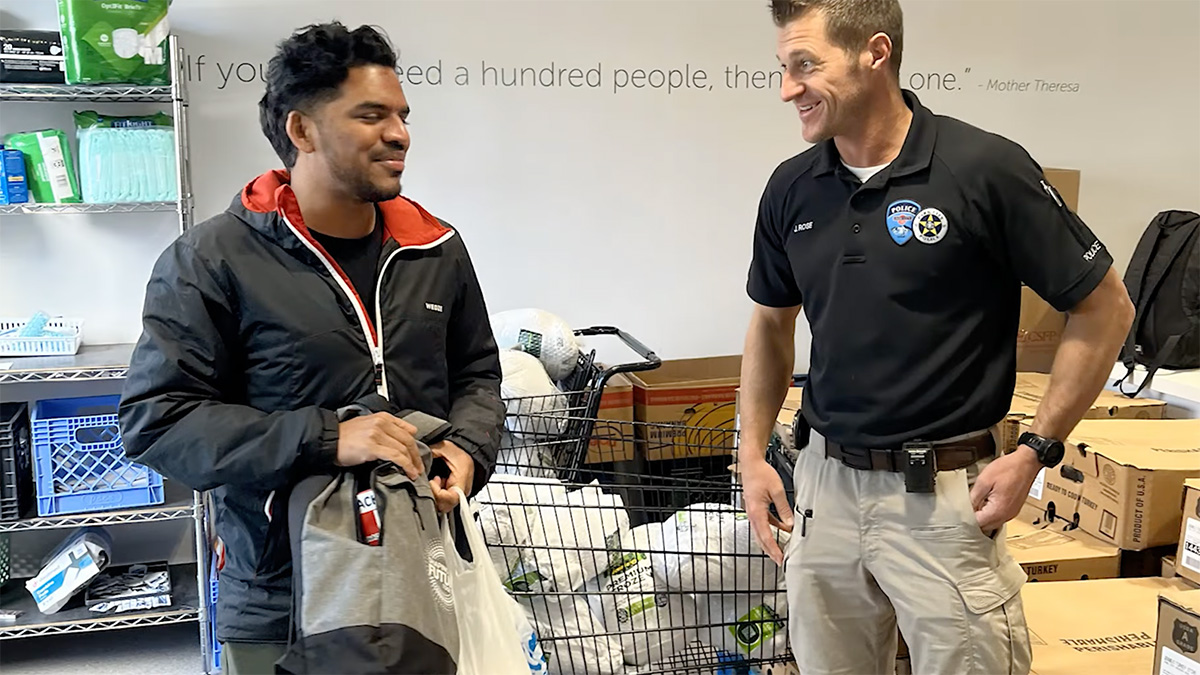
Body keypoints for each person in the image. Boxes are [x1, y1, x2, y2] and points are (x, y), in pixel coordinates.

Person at [737, 2, 1135, 674]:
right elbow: (771, 323)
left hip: (944, 500)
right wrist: (750, 456)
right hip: (824, 492)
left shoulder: (983, 170)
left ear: (876, 52)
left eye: (805, 65)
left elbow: (1107, 308)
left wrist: (1037, 448)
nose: (787, 89)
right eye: (782, 67)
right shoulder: (792, 189)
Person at [118, 23, 505, 675]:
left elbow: (477, 375)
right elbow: (158, 421)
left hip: (423, 575)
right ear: (301, 131)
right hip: (280, 594)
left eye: (402, 116)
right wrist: (328, 437)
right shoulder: (210, 260)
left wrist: (467, 449)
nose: (399, 133)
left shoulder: (436, 249)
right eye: (371, 115)